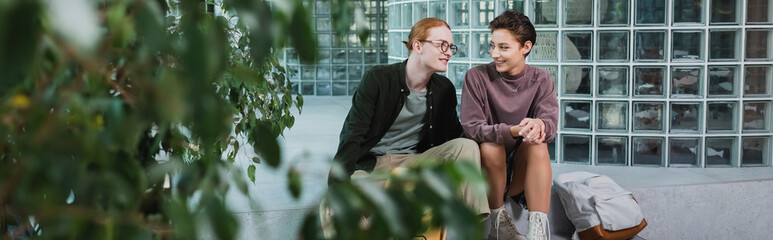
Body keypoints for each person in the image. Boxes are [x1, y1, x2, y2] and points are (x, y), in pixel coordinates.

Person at [331, 18, 489, 218]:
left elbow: (455, 135)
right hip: (374, 166)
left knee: (466, 146)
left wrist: (494, 135)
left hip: (416, 163)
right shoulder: (378, 79)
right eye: (442, 45)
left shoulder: (444, 88)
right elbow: (352, 134)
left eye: (451, 47)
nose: (448, 52)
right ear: (418, 46)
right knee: (343, 204)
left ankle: (475, 225)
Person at [460, 11, 558, 240]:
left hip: (520, 176)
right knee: (490, 146)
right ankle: (498, 222)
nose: (495, 53)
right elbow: (471, 127)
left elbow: (551, 126)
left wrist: (539, 123)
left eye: (503, 48)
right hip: (485, 173)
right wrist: (511, 130)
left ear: (525, 47)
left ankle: (537, 232)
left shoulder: (541, 79)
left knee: (538, 143)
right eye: (493, 45)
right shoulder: (476, 77)